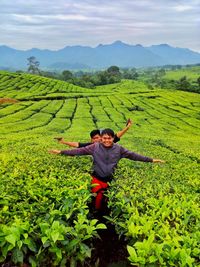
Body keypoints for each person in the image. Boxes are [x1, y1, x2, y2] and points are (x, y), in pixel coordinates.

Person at [49, 128, 165, 211]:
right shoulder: (94, 147)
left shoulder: (119, 149)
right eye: (104, 138)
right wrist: (61, 152)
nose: (106, 141)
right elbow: (78, 151)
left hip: (110, 180)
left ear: (113, 138)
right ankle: (95, 213)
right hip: (97, 178)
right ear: (101, 139)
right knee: (96, 199)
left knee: (107, 199)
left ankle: (103, 212)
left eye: (109, 138)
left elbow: (134, 156)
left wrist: (151, 160)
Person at [55, 119, 132, 148]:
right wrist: (63, 141)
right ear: (91, 140)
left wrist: (127, 127)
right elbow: (77, 144)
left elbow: (118, 135)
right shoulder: (90, 146)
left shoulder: (106, 142)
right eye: (95, 138)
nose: (97, 139)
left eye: (98, 137)